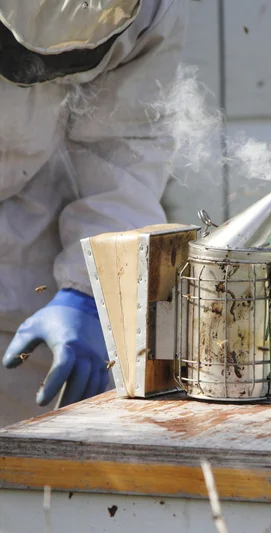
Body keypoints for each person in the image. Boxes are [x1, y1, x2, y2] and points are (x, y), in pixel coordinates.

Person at [0, 0, 187, 427]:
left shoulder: (153, 10)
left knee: (33, 459)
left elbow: (121, 149)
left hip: (33, 241)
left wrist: (87, 291)